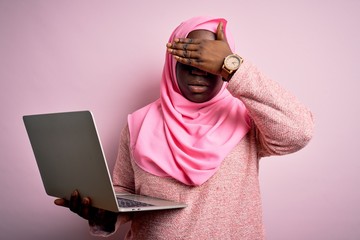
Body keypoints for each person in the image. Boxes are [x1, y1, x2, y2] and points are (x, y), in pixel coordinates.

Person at [54, 16, 314, 239]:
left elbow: (298, 132)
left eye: (209, 62)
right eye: (188, 59)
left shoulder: (246, 118)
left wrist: (235, 67)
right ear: (171, 63)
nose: (198, 71)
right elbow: (124, 193)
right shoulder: (139, 123)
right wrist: (104, 215)